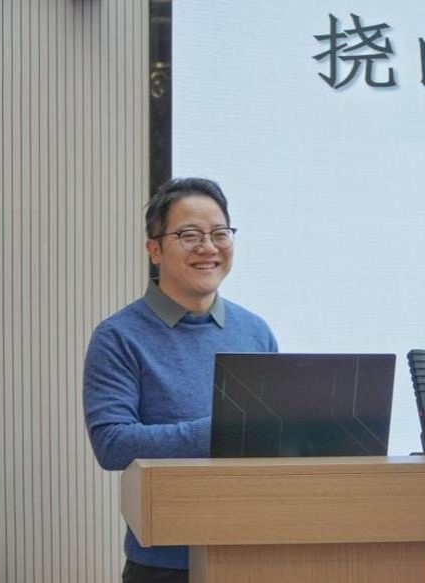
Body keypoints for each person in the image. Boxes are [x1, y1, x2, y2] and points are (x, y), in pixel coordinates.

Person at [83, 177, 278, 583]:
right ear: (154, 249)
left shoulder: (255, 331)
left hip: (256, 553)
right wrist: (220, 432)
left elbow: (272, 436)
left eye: (220, 233)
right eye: (189, 235)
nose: (208, 247)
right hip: (164, 566)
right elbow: (112, 444)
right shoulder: (118, 336)